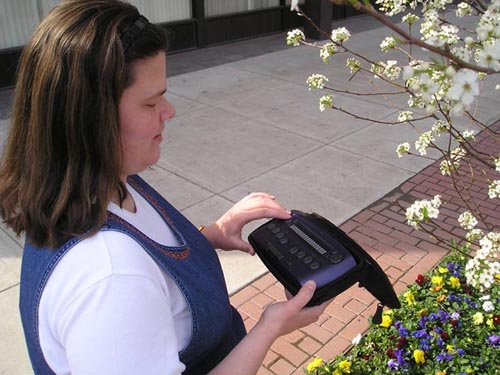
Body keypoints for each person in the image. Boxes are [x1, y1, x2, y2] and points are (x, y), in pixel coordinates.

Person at [0, 1, 332, 374]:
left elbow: (156, 269)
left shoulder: (101, 182)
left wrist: (212, 234)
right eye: (150, 102)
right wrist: (270, 327)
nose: (169, 110)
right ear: (90, 121)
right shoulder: (110, 281)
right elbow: (131, 284)